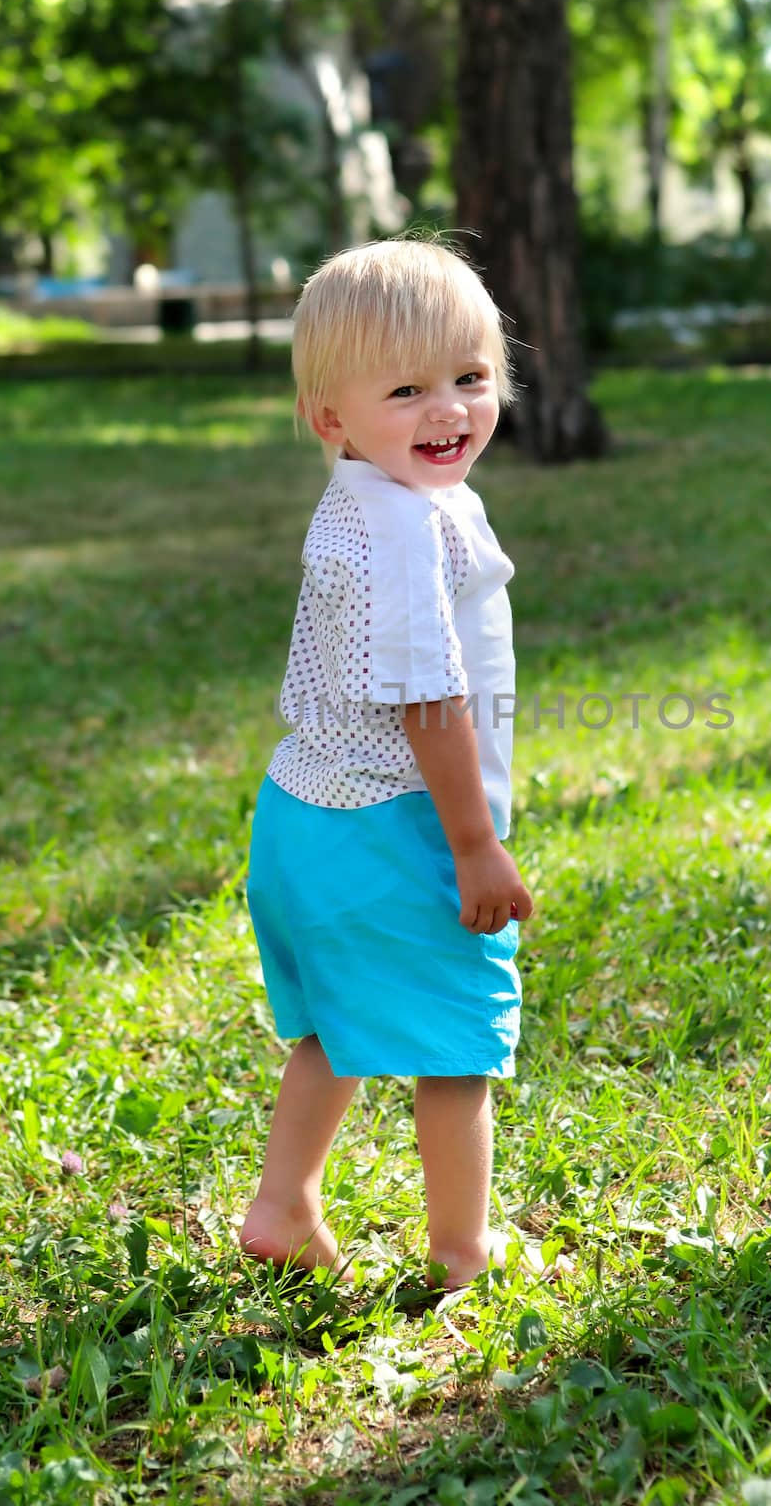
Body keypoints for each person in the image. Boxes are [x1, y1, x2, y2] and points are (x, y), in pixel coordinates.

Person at [240, 237, 569, 1290]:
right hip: (388, 821)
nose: (448, 411)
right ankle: (461, 1255)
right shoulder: (401, 534)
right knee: (457, 1039)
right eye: (406, 389)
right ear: (330, 417)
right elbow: (429, 700)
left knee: (337, 1023)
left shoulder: (375, 497)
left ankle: (283, 1204)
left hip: (304, 811)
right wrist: (473, 847)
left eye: (469, 379)